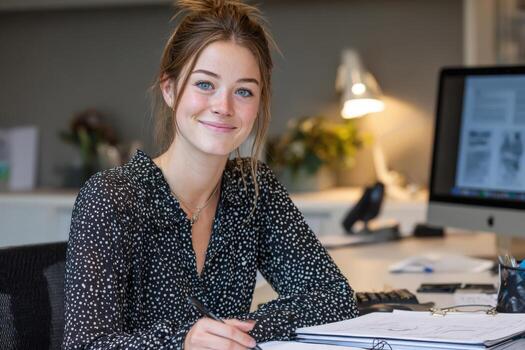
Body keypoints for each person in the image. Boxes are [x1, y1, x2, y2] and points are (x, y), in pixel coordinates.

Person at [62, 0, 358, 349]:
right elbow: (85, 344)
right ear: (170, 90)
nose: (224, 106)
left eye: (244, 91)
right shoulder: (113, 196)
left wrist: (239, 331)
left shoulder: (253, 189)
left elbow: (335, 297)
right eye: (205, 84)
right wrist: (182, 342)